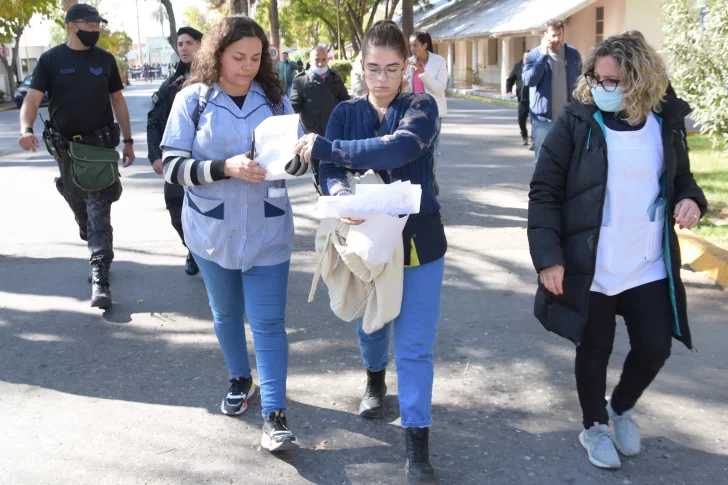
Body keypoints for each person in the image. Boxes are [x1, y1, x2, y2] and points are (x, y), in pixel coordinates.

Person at [528, 34, 707, 470]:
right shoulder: (575, 121)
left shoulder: (664, 120)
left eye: (616, 80)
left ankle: (621, 406)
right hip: (593, 264)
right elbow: (544, 192)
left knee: (654, 347)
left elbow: (682, 178)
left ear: (642, 80)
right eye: (598, 78)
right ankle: (594, 425)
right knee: (593, 350)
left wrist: (692, 201)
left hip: (646, 262)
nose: (604, 87)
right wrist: (548, 257)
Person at [295, 20, 445, 484]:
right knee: (372, 324)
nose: (381, 79)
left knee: (416, 345)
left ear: (407, 68)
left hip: (419, 240)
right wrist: (342, 197)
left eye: (392, 69)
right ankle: (375, 377)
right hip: (365, 240)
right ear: (361, 65)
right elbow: (329, 170)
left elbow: (397, 150)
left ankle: (416, 442)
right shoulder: (344, 112)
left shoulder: (421, 106)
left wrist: (332, 150)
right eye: (373, 68)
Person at [160, 16, 301, 453]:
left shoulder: (276, 101)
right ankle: (241, 379)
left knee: (269, 323)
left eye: (256, 58)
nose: (247, 66)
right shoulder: (191, 101)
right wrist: (225, 167)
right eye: (238, 57)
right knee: (225, 314)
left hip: (268, 229)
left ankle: (275, 415)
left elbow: (297, 158)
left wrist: (299, 160)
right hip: (211, 231)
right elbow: (171, 166)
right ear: (217, 54)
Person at [18, 3, 135, 309]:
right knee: (74, 195)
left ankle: (100, 275)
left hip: (98, 146)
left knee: (98, 205)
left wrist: (128, 141)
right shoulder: (50, 59)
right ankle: (84, 225)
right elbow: (32, 98)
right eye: (91, 26)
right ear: (72, 26)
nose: (96, 31)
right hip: (65, 148)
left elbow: (118, 101)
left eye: (98, 26)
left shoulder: (105, 60)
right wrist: (26, 127)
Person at [147, 26, 204, 276]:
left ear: (201, 46)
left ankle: (210, 255)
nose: (184, 48)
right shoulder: (172, 84)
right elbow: (154, 119)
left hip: (210, 159)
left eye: (189, 43)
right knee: (175, 207)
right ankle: (193, 249)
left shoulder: (218, 79)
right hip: (179, 161)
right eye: (180, 44)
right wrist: (155, 155)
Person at [290, 46, 350, 193]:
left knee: (334, 164)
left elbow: (345, 102)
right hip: (312, 133)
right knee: (317, 166)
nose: (320, 63)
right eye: (317, 60)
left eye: (324, 60)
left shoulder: (335, 78)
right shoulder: (301, 80)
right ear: (310, 60)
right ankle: (322, 192)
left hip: (333, 131)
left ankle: (334, 191)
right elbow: (293, 105)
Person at [523, 19, 582, 164]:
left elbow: (580, 82)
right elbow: (529, 80)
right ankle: (541, 187)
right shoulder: (535, 55)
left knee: (567, 159)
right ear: (545, 35)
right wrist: (543, 56)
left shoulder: (573, 54)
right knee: (542, 159)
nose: (556, 39)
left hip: (568, 119)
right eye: (553, 35)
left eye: (560, 34)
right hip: (543, 119)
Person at [406, 30, 447, 195]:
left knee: (433, 151)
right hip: (413, 113)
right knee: (415, 150)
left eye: (415, 45)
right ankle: (421, 182)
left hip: (433, 113)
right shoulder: (408, 62)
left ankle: (429, 178)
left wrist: (421, 73)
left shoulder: (439, 61)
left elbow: (439, 88)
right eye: (410, 45)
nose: (412, 49)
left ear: (425, 45)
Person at [506, 52, 533, 148]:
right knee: (521, 120)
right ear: (523, 58)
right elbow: (510, 80)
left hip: (534, 100)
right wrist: (509, 91)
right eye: (526, 58)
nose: (527, 60)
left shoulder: (535, 67)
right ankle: (524, 136)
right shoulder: (518, 67)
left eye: (529, 58)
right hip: (522, 100)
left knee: (535, 121)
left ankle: (534, 140)